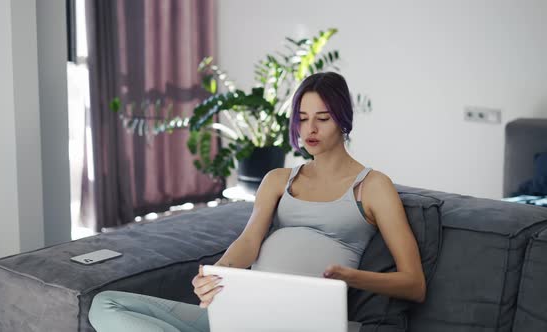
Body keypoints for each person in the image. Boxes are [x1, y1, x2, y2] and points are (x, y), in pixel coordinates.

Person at [88, 72, 426, 332]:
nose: (310, 128)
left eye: (322, 118)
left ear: (343, 120)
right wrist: (214, 274)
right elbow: (249, 241)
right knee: (106, 305)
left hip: (304, 321)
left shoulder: (373, 186)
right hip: (244, 312)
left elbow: (414, 284)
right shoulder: (278, 180)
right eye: (303, 118)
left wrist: (351, 277)